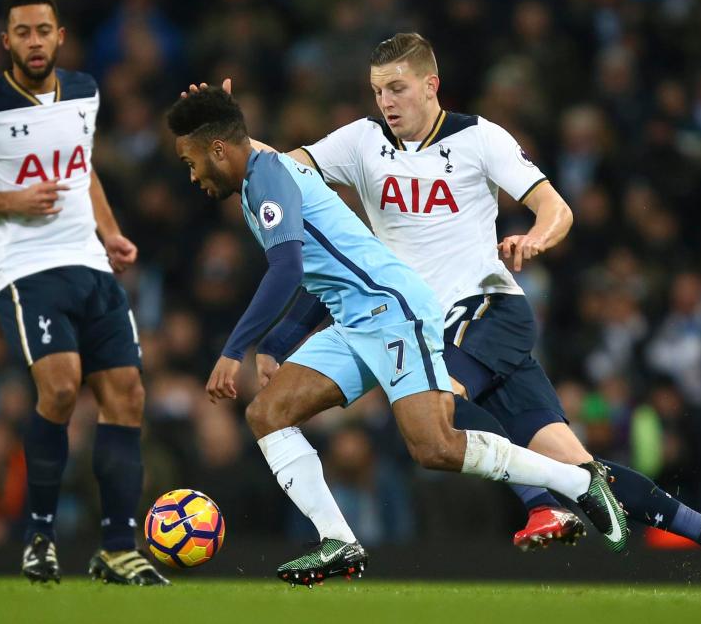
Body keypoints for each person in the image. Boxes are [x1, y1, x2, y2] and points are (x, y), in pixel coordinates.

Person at [252, 32, 701, 595]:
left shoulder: (480, 139)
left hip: (485, 312)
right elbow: (281, 169)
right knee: (579, 469)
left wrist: (535, 240)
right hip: (429, 326)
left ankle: (542, 506)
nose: (387, 103)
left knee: (437, 410)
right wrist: (227, 133)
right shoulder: (359, 142)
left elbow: (555, 207)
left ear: (431, 84)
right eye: (378, 92)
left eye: (398, 88)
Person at [166, 87, 628, 586]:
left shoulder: (269, 177)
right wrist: (277, 345)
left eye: (192, 163)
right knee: (267, 413)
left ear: (218, 150)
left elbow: (286, 267)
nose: (192, 177)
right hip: (354, 320)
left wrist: (236, 349)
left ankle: (580, 481)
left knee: (435, 448)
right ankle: (337, 540)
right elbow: (313, 269)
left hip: (394, 312)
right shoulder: (259, 178)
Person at [0, 0, 165, 586]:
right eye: (23, 32)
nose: (34, 42)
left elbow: (81, 167)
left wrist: (111, 233)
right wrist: (11, 199)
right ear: (5, 40)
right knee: (61, 388)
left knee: (128, 396)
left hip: (88, 261)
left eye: (44, 31)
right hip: (26, 267)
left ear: (59, 36)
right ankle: (39, 536)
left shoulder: (86, 91)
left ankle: (118, 547)